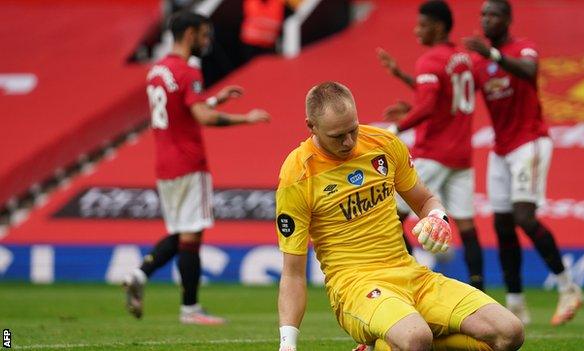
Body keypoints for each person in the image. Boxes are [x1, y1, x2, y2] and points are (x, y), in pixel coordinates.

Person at [276, 81, 523, 351]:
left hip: (411, 274)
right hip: (356, 286)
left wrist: (438, 218)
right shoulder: (297, 174)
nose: (348, 142)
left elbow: (425, 200)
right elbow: (293, 274)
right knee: (416, 339)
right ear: (311, 126)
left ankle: (382, 346)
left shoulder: (384, 144)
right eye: (337, 136)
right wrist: (287, 344)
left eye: (353, 130)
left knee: (509, 333)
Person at [123, 10, 270, 325]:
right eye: (204, 35)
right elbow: (201, 117)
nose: (207, 41)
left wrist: (215, 100)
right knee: (191, 236)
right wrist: (246, 118)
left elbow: (182, 109)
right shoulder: (189, 71)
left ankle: (140, 272)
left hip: (164, 163)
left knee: (181, 231)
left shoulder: (158, 70)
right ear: (189, 34)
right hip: (189, 161)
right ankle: (190, 308)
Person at [463, 0, 584, 326]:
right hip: (501, 149)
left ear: (507, 20)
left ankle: (568, 287)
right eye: (483, 15)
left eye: (494, 15)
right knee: (502, 224)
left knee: (524, 218)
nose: (487, 20)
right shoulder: (478, 64)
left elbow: (530, 71)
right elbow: (458, 96)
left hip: (529, 142)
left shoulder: (523, 49)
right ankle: (516, 304)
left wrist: (495, 56)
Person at [377, 0, 485, 291]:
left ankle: (414, 281)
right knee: (467, 226)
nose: (416, 30)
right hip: (462, 155)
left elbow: (426, 106)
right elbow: (442, 96)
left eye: (422, 25)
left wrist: (395, 128)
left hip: (434, 152)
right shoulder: (464, 59)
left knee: (392, 217)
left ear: (437, 27)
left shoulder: (430, 59)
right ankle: (481, 291)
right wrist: (401, 76)